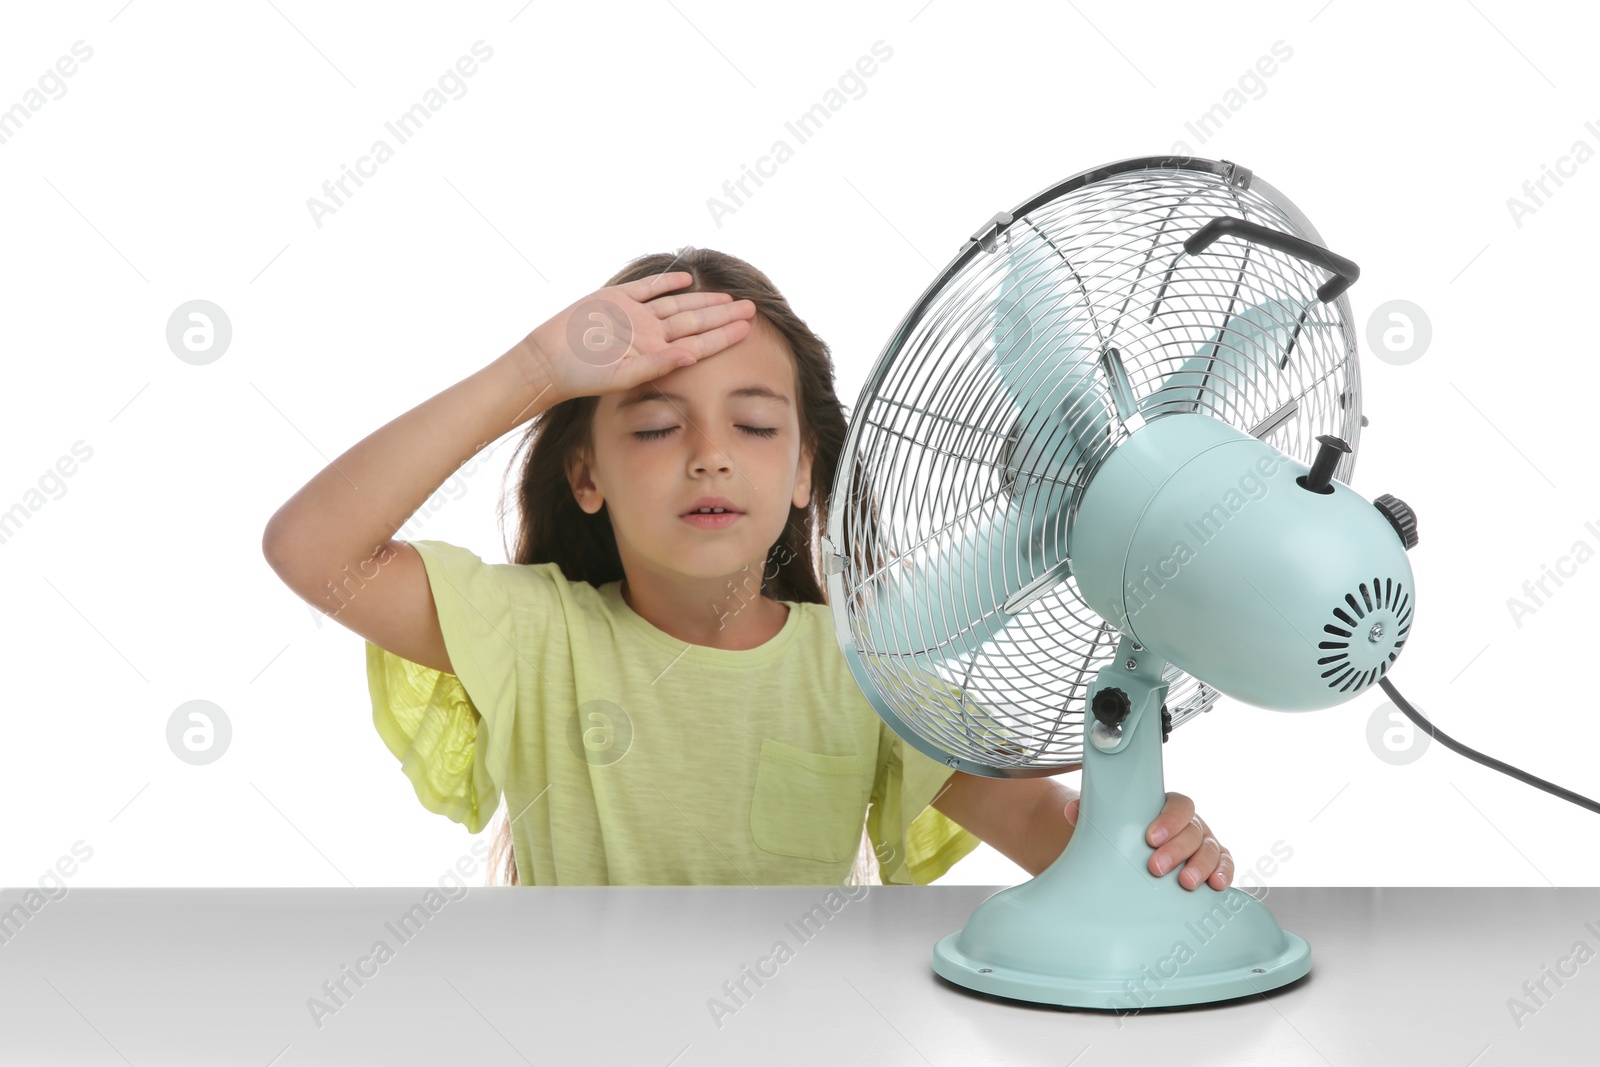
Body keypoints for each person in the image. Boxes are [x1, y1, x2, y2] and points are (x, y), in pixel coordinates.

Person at [262, 246, 1235, 891]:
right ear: (585, 473)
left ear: (809, 465)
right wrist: (536, 369)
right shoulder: (532, 633)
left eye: (756, 422)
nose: (709, 452)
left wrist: (1148, 843)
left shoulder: (868, 669)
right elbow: (313, 547)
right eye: (652, 422)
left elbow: (1045, 827)